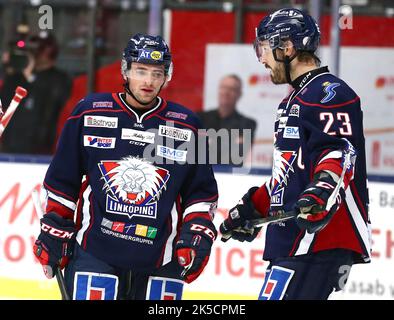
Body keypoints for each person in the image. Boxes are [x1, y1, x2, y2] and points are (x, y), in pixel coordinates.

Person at [32, 33, 218, 300]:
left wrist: (196, 234)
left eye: (157, 73)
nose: (149, 81)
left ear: (167, 76)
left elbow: (200, 193)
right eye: (141, 71)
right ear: (126, 70)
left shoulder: (187, 125)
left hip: (161, 258)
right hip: (95, 250)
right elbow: (63, 181)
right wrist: (54, 229)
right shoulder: (90, 112)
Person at [220, 8, 371, 300]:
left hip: (317, 241)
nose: (262, 58)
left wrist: (320, 193)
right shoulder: (293, 100)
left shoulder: (330, 93)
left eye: (263, 48)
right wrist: (254, 207)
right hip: (294, 241)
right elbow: (291, 175)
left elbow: (339, 154)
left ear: (286, 48)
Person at [0, 31, 71, 154]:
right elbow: (5, 101)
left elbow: (54, 101)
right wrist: (8, 70)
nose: (36, 53)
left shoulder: (59, 78)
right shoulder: (17, 77)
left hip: (39, 148)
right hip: (10, 145)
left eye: (40, 48)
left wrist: (30, 76)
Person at [198, 74, 257, 166]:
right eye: (223, 87)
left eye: (231, 89)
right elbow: (195, 151)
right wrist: (231, 141)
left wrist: (210, 141)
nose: (226, 92)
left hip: (230, 176)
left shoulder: (247, 124)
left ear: (239, 94)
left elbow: (237, 156)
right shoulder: (200, 118)